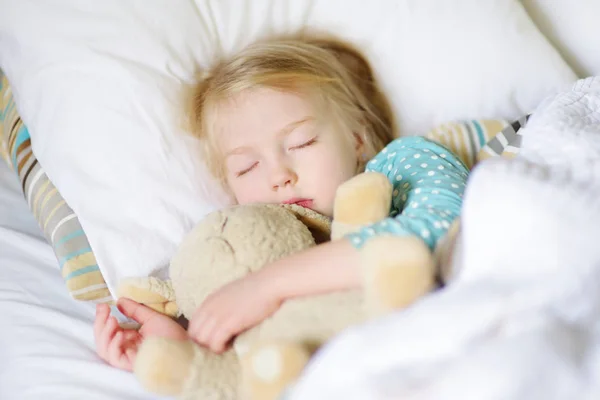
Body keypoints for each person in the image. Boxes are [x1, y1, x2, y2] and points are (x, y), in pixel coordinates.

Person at [94, 35, 469, 371]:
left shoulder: (401, 164)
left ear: (356, 137)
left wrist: (268, 286)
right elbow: (265, 367)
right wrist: (184, 348)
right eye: (247, 167)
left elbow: (432, 235)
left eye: (302, 142)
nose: (279, 175)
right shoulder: (248, 249)